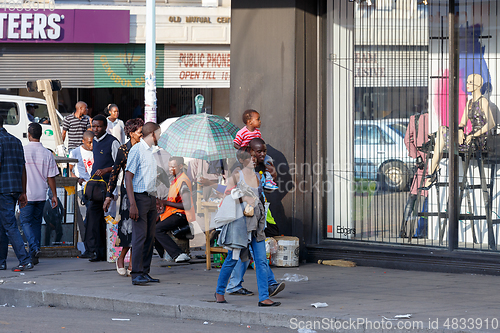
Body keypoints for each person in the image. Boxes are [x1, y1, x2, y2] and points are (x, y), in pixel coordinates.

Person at [215, 147, 281, 306]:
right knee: (232, 259)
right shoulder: (237, 175)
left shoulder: (259, 176)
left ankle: (264, 297)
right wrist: (244, 197)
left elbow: (268, 190)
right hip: (240, 225)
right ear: (243, 160)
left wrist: (272, 175)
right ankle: (219, 291)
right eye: (249, 157)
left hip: (257, 224)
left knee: (261, 261)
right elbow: (225, 194)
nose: (253, 159)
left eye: (254, 157)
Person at [421, 73, 496, 189]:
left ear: (478, 84)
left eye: (470, 82)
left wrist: (474, 135)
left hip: (479, 141)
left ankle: (431, 174)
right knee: (442, 131)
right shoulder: (470, 103)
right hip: (468, 139)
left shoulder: (483, 102)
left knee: (440, 139)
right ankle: (431, 173)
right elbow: (462, 123)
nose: (467, 84)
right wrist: (460, 130)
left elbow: (491, 123)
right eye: (467, 82)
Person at [103, 118, 144, 276]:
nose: (142, 135)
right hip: (128, 193)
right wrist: (108, 196)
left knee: (140, 228)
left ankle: (133, 262)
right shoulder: (123, 150)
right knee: (128, 227)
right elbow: (114, 173)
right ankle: (121, 258)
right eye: (140, 132)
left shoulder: (145, 149)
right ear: (132, 133)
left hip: (143, 191)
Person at [125, 122, 161, 285]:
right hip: (139, 198)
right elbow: (128, 177)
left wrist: (158, 198)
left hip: (151, 197)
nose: (159, 137)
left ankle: (145, 271)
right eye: (158, 133)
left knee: (149, 236)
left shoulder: (154, 152)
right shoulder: (137, 150)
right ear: (152, 134)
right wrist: (132, 203)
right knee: (139, 237)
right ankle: (136, 272)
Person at [19, 122, 59, 266]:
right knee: (36, 223)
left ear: (29, 135)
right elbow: (51, 177)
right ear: (40, 135)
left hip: (26, 194)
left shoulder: (22, 150)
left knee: (25, 222)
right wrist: (54, 195)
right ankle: (34, 255)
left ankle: (34, 248)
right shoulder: (47, 153)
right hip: (41, 194)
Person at [0, 116, 33, 272]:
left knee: (9, 225)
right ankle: (1, 261)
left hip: (3, 189)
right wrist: (23, 191)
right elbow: (23, 168)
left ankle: (25, 259)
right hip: (14, 188)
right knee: (3, 225)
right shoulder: (16, 141)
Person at [86, 115, 120, 262]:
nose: (96, 129)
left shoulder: (112, 142)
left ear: (105, 127)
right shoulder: (94, 141)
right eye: (94, 126)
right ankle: (96, 251)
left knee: (101, 219)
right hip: (95, 187)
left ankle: (99, 251)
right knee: (95, 219)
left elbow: (121, 163)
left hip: (108, 188)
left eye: (99, 126)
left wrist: (107, 170)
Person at [156, 156, 195, 263]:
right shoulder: (175, 180)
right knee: (151, 228)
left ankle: (178, 254)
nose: (170, 170)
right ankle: (164, 253)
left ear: (181, 166)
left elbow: (186, 205)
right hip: (172, 213)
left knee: (157, 229)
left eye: (173, 167)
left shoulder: (183, 181)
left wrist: (165, 203)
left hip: (182, 214)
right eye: (169, 167)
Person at [233, 109, 278, 190]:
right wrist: (244, 151)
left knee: (268, 159)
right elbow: (235, 144)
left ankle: (268, 180)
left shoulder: (257, 132)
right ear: (250, 122)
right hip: (245, 154)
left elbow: (260, 143)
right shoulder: (242, 132)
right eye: (258, 119)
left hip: (253, 154)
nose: (260, 121)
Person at [69, 130, 95, 258]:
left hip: (94, 186)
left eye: (93, 143)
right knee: (90, 213)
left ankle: (90, 243)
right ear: (83, 141)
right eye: (89, 143)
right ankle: (88, 243)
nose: (91, 146)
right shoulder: (75, 152)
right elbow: (68, 170)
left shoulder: (95, 151)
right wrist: (76, 178)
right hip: (83, 187)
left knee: (92, 215)